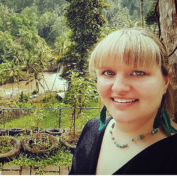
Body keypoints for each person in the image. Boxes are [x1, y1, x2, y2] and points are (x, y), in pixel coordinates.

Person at [69, 27, 177, 175]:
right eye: (108, 72)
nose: (119, 87)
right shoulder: (91, 130)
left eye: (138, 73)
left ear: (165, 81)